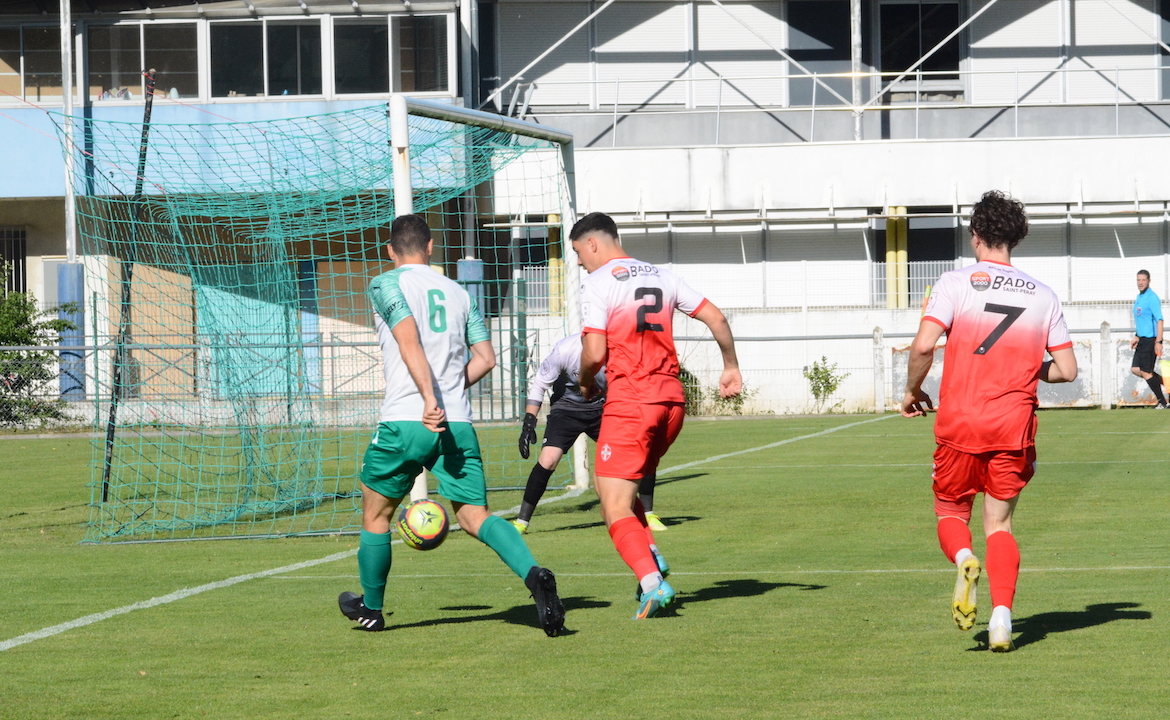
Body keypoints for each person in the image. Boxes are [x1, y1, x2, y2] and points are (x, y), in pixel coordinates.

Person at [337, 214, 565, 637]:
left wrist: (428, 398)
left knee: (376, 514)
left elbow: (408, 341)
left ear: (390, 251)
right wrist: (445, 393)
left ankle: (372, 608)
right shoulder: (459, 293)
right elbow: (486, 359)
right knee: (476, 516)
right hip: (458, 422)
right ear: (431, 247)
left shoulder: (387, 284)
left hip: (409, 417)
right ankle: (534, 575)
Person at [901, 191, 1077, 653]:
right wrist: (1026, 366)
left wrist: (912, 391)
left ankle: (963, 559)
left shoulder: (956, 283)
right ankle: (1002, 618)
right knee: (999, 526)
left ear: (976, 235)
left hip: (960, 421)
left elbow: (923, 346)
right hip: (1012, 426)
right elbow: (1066, 370)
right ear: (1014, 239)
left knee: (950, 513)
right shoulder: (1044, 295)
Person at [571, 211, 741, 618]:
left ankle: (652, 583)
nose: (579, 261)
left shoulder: (595, 283)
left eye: (578, 252)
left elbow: (594, 353)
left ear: (594, 243)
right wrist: (731, 365)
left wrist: (583, 382)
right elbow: (715, 316)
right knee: (621, 491)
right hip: (671, 403)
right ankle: (651, 555)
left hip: (632, 401)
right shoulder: (663, 275)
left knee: (611, 503)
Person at [514, 334, 666, 533]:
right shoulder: (564, 349)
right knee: (548, 459)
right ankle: (521, 522)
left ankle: (648, 515)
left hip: (604, 410)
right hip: (566, 411)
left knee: (641, 454)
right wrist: (528, 423)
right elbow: (540, 384)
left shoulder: (617, 351)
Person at [1129, 270, 1166, 408]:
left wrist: (1159, 342)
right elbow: (1142, 320)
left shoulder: (1152, 297)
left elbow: (1160, 320)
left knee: (1145, 371)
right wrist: (1137, 336)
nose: (1140, 282)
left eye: (1143, 280)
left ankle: (1163, 402)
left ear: (1149, 281)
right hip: (1142, 340)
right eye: (1138, 280)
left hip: (1150, 340)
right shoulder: (1139, 297)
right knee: (1136, 369)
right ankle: (1167, 383)